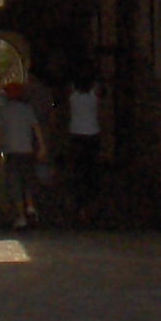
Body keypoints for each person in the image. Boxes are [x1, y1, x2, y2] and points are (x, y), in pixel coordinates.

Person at [0, 78, 45, 229]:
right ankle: (30, 207)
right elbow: (36, 127)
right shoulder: (27, 109)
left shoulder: (4, 111)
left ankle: (21, 217)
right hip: (27, 151)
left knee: (15, 185)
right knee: (27, 181)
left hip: (12, 151)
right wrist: (42, 146)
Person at [65, 65, 103, 222]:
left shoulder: (73, 96)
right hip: (93, 134)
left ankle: (80, 208)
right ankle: (91, 207)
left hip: (76, 135)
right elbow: (100, 88)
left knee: (78, 172)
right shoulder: (94, 95)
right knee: (91, 172)